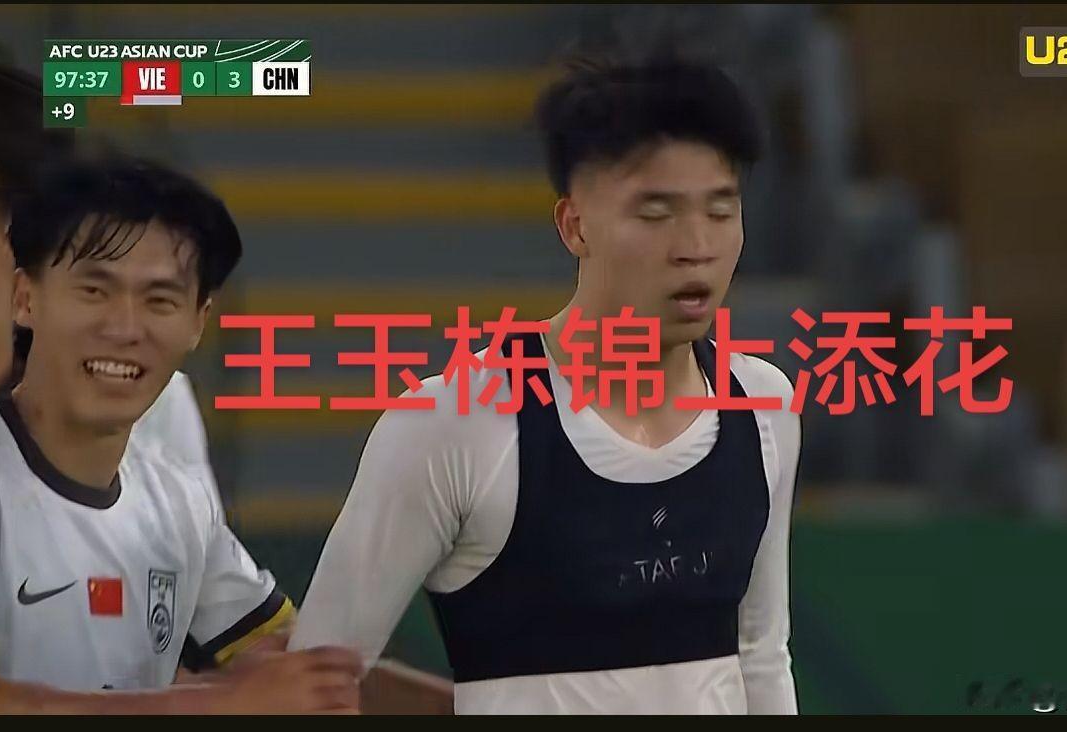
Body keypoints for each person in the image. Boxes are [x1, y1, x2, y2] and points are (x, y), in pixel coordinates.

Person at [292, 56, 800, 714]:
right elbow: (315, 679)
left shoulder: (763, 405)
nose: (696, 246)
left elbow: (761, 652)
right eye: (656, 214)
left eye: (721, 210)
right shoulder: (456, 422)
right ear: (574, 226)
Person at [0, 156, 363, 713]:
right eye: (94, 290)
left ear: (197, 323)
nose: (124, 328)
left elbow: (296, 667)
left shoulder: (181, 504)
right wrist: (220, 705)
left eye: (160, 301)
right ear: (25, 298)